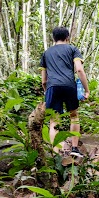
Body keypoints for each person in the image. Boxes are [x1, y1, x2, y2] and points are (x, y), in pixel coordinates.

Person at [40, 27, 90, 157]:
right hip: (69, 85)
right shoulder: (73, 49)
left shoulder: (46, 53)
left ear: (53, 38)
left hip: (52, 87)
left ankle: (56, 154)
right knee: (74, 116)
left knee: (54, 121)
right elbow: (79, 70)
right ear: (67, 37)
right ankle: (74, 148)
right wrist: (87, 89)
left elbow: (44, 81)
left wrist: (47, 92)